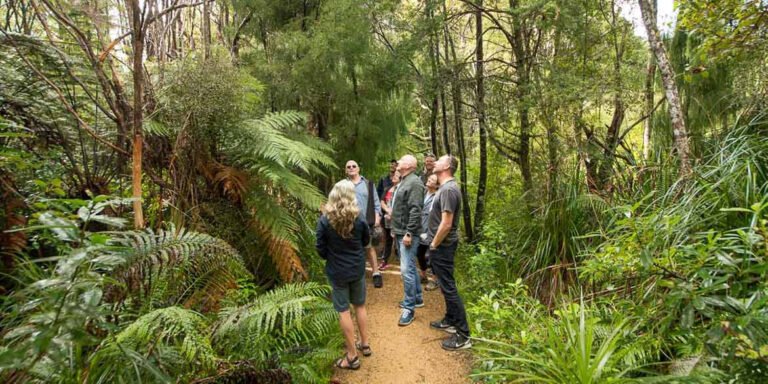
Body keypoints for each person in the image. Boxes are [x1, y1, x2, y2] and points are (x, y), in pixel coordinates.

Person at [316, 180, 372, 370]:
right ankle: (365, 344)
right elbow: (366, 240)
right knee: (360, 305)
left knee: (343, 310)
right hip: (357, 268)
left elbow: (320, 248)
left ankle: (352, 356)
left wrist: (332, 256)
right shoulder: (359, 217)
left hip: (337, 270)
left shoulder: (325, 219)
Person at [427, 155, 471, 350]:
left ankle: (463, 335)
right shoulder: (445, 188)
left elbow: (446, 223)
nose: (434, 162)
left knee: (449, 287)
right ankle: (450, 320)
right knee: (445, 286)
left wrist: (434, 244)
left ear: (446, 166)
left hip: (443, 247)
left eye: (439, 160)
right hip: (441, 246)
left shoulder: (449, 190)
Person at [390, 154, 425, 326]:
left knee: (406, 270)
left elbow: (415, 210)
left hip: (407, 232)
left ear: (410, 165)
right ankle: (417, 298)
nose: (398, 162)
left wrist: (409, 232)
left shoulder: (415, 183)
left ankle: (409, 309)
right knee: (409, 266)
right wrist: (395, 230)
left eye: (401, 160)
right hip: (400, 231)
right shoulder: (404, 180)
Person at [345, 160, 383, 288]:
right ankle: (356, 275)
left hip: (367, 222)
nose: (351, 168)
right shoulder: (343, 185)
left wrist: (377, 218)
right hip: (349, 223)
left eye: (354, 166)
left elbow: (376, 203)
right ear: (345, 170)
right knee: (353, 248)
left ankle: (376, 273)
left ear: (358, 168)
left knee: (369, 247)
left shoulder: (368, 184)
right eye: (348, 167)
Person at [418, 174, 439, 291]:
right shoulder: (423, 193)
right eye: (429, 178)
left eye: (432, 180)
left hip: (431, 230)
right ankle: (423, 274)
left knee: (431, 255)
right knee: (419, 252)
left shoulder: (437, 197)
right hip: (420, 228)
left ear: (437, 184)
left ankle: (434, 279)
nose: (429, 180)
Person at [379, 170, 400, 271]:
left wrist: (394, 213)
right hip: (387, 218)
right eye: (394, 175)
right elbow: (382, 201)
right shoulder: (387, 188)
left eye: (396, 175)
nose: (394, 176)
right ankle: (384, 261)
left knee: (399, 240)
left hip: (398, 219)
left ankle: (402, 261)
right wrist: (387, 210)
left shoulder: (401, 189)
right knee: (388, 239)